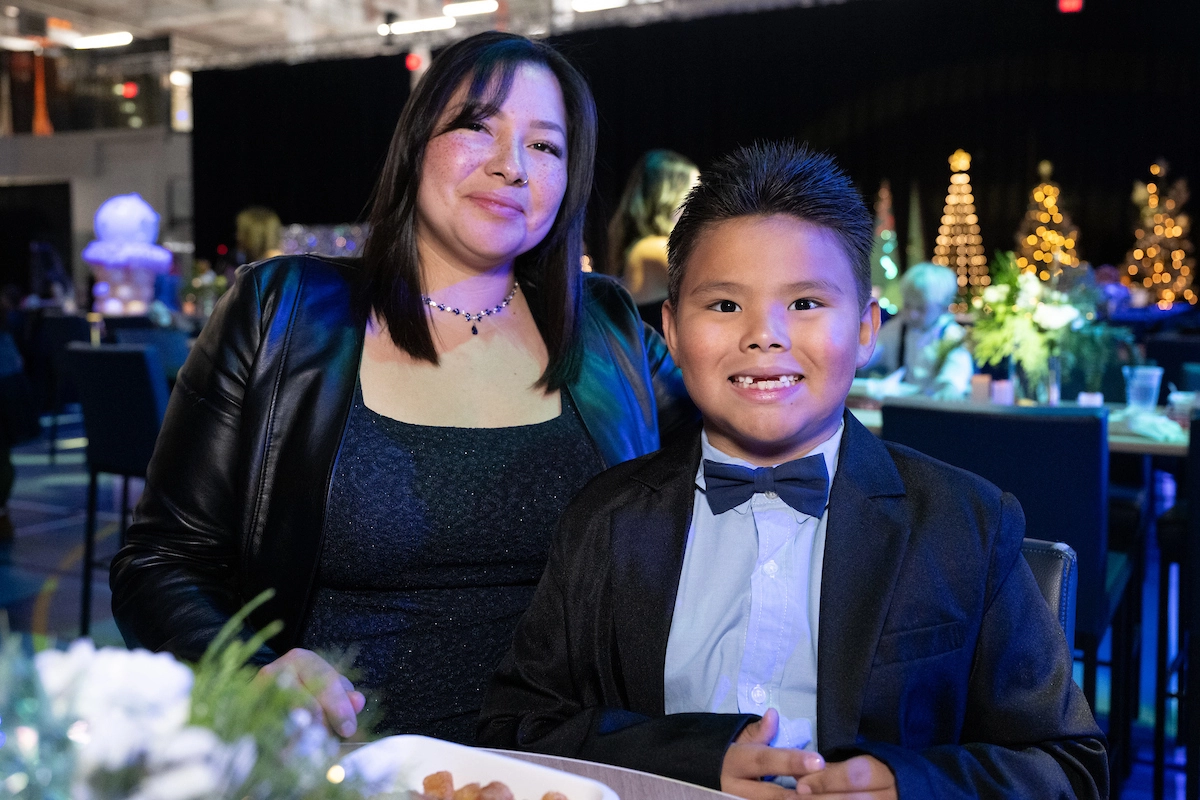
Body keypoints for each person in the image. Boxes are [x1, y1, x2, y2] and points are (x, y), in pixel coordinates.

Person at [110, 31, 693, 744]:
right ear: (416, 144)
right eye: (477, 127)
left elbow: (737, 464)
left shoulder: (607, 329)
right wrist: (250, 671)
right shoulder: (282, 312)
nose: (511, 166)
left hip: (561, 767)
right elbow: (160, 562)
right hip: (343, 765)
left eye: (545, 145)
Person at [479, 142, 1107, 799]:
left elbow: (1069, 767)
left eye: (806, 303)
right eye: (725, 305)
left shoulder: (962, 523)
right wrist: (685, 762)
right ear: (671, 331)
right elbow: (517, 725)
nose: (765, 335)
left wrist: (913, 785)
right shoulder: (604, 520)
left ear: (865, 330)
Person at [606, 150, 700, 332]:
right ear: (669, 197)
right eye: (693, 194)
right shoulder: (651, 248)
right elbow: (713, 280)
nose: (700, 205)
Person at [861, 262, 972, 399]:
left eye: (921, 308)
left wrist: (950, 386)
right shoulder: (896, 329)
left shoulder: (952, 335)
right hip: (902, 406)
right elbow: (867, 355)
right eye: (907, 305)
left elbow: (955, 377)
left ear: (943, 308)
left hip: (935, 407)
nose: (912, 314)